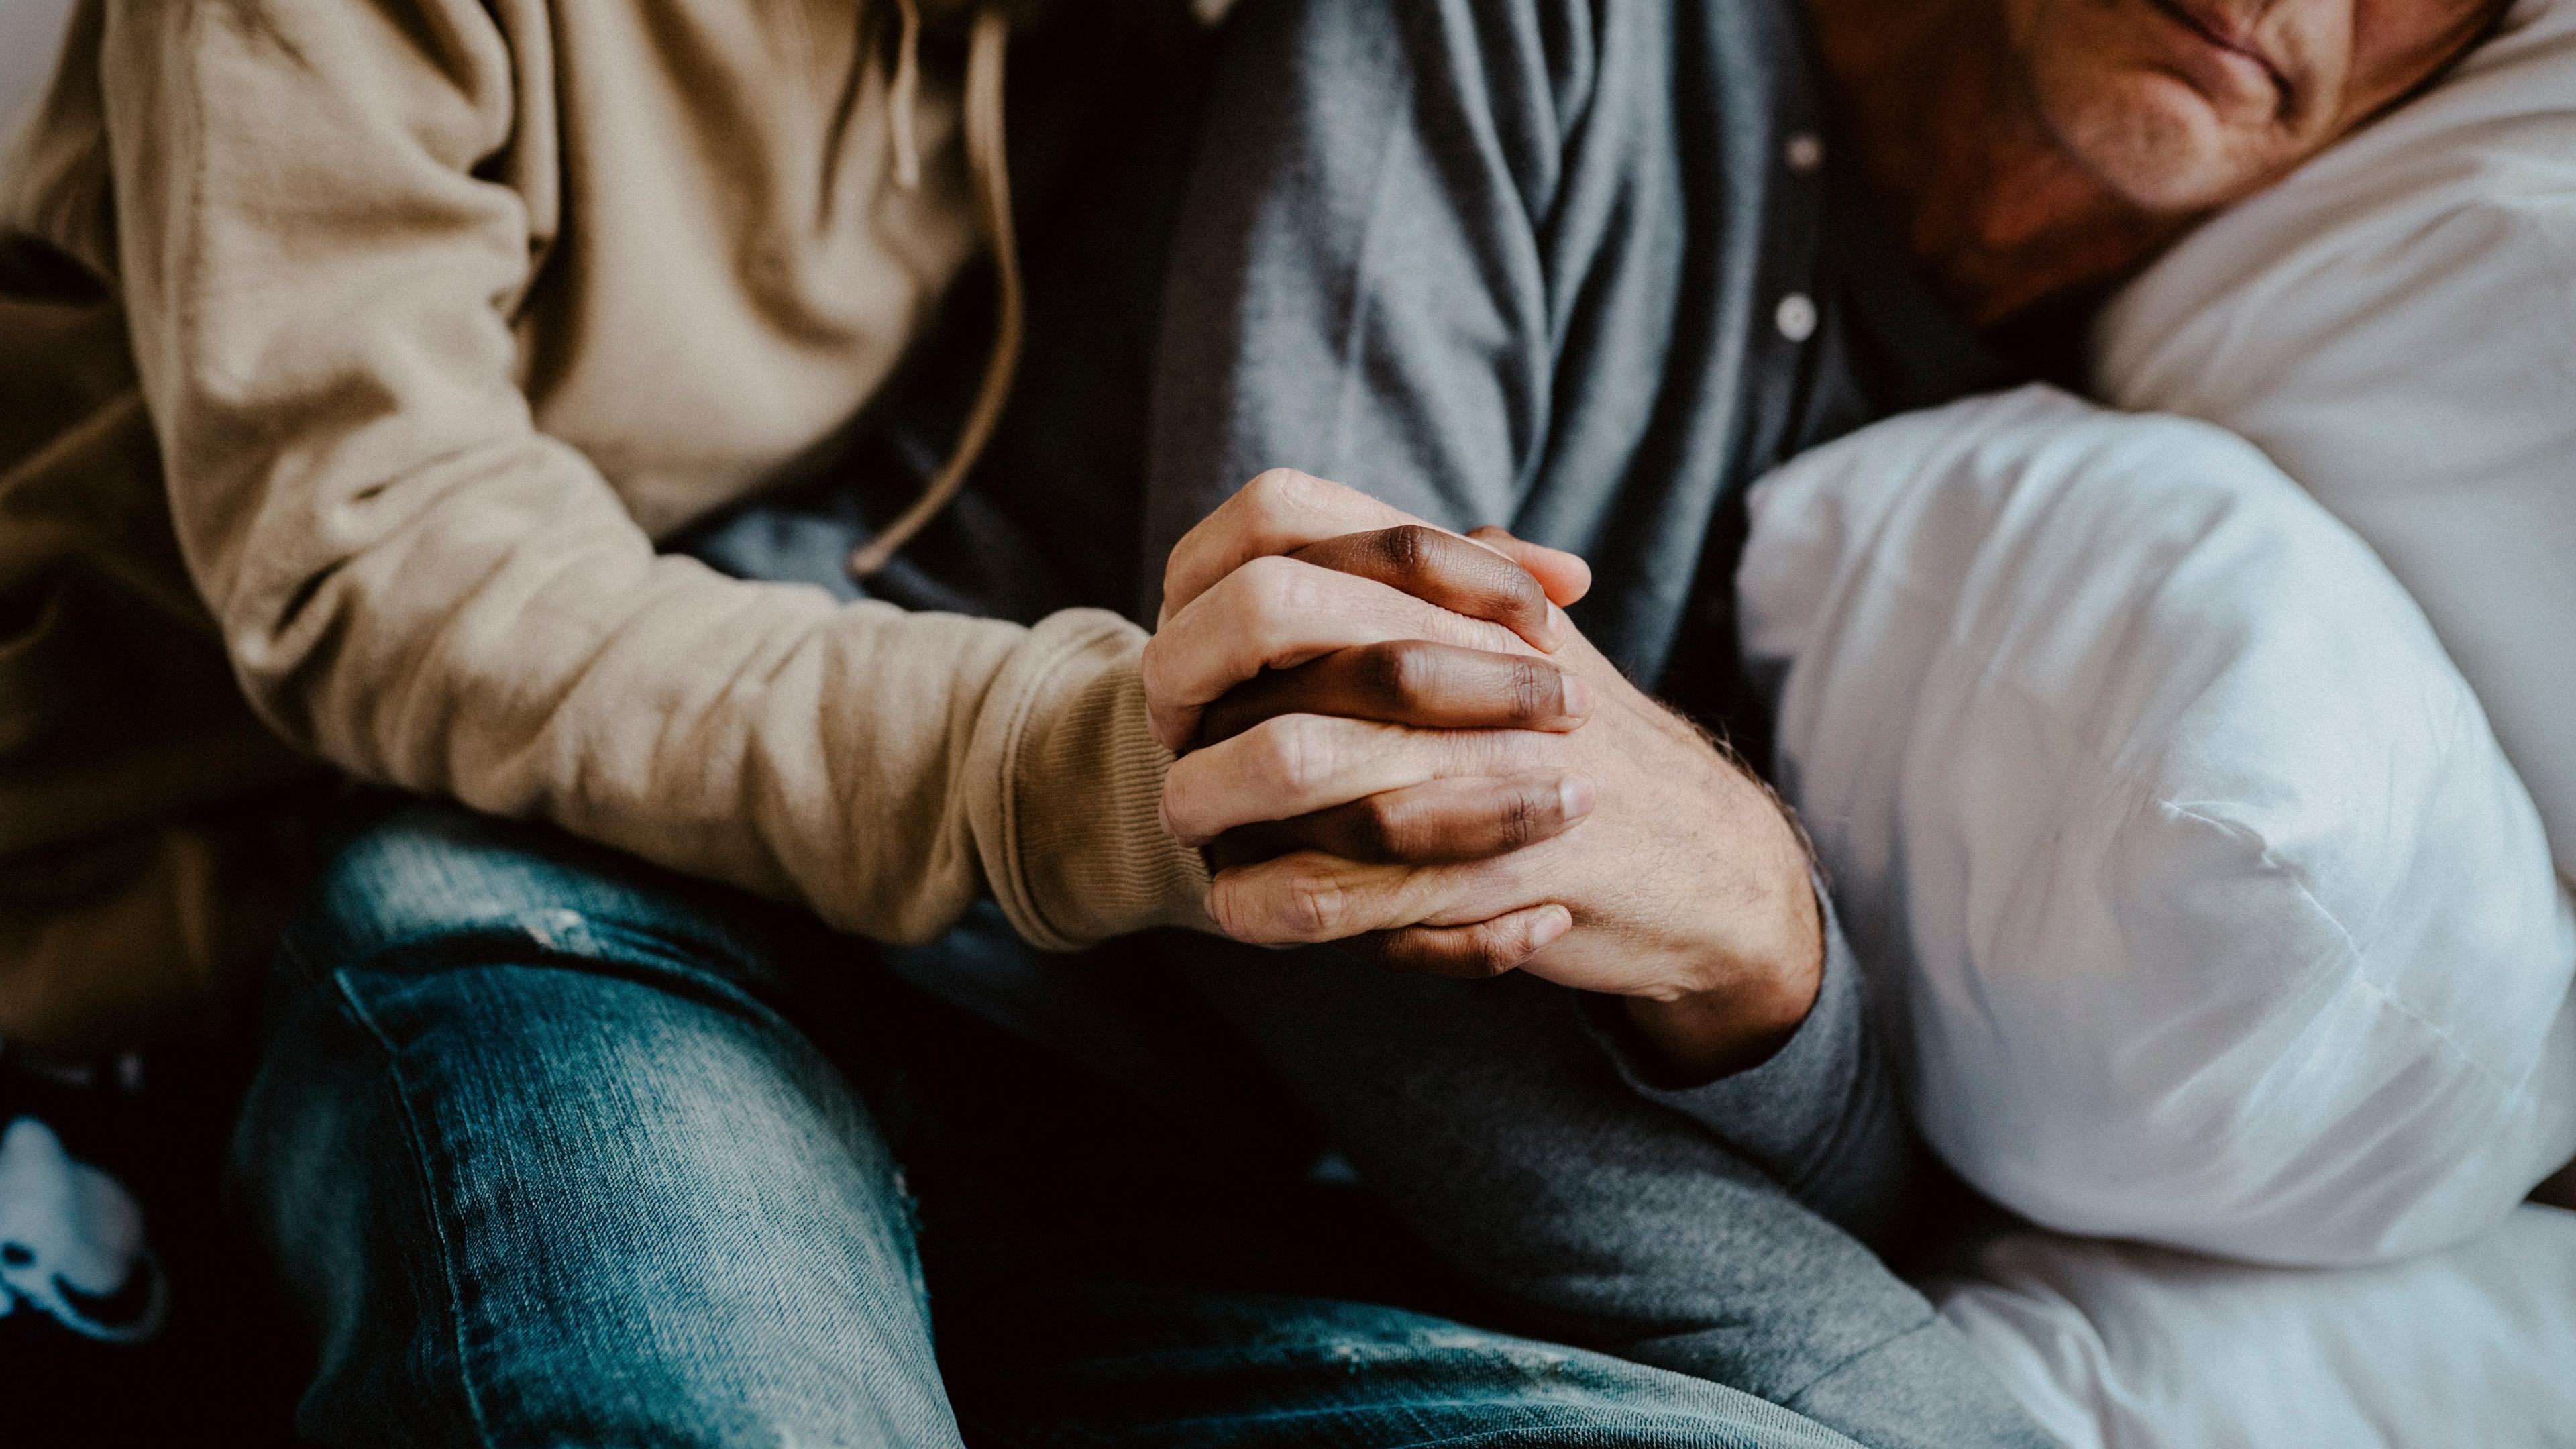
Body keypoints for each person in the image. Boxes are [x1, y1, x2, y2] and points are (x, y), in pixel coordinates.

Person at [0, 0, 2508, 1443]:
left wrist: (1765, 953)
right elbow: (1314, 826)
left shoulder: (2158, 447)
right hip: (665, 919)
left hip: (1202, 1196)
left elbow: (1701, 1058)